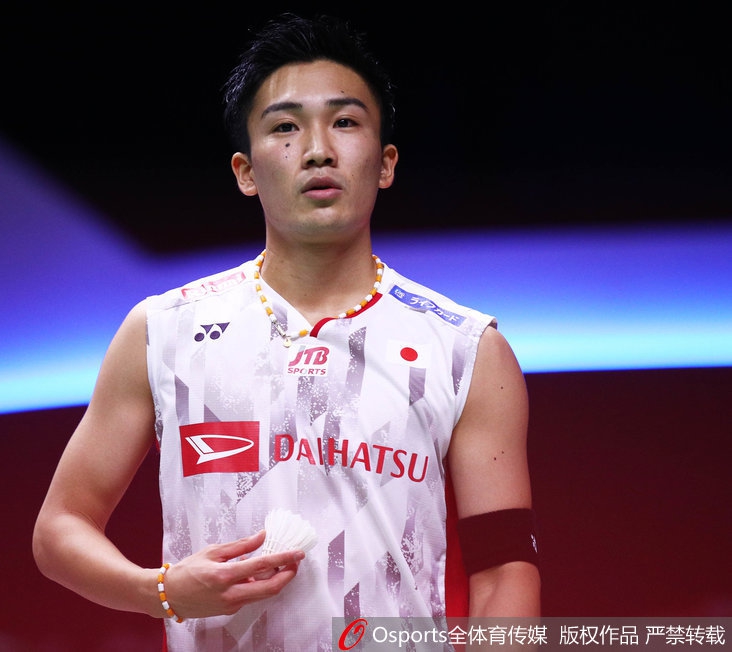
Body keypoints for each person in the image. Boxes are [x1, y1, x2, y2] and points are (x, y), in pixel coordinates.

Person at [33, 13, 541, 650]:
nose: (319, 149)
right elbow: (60, 528)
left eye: (345, 122)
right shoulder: (162, 331)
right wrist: (163, 590)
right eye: (285, 127)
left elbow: (504, 569)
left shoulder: (466, 349)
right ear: (245, 172)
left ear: (385, 163)